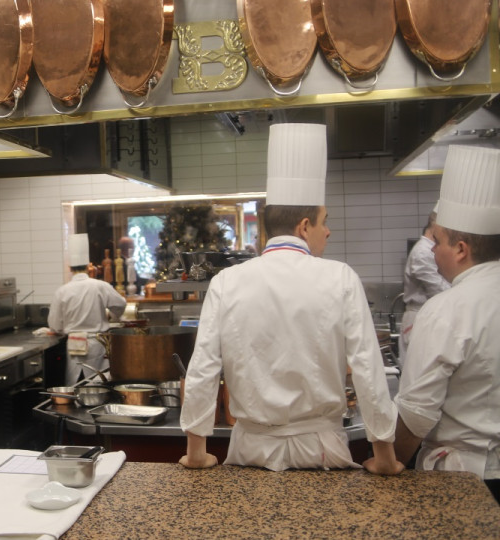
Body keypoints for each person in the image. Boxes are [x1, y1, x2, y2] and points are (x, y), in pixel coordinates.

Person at [179, 123, 403, 475]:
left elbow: (203, 367)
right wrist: (385, 456)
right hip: (321, 449)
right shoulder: (340, 277)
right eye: (324, 221)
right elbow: (367, 367)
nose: (328, 231)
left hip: (250, 449)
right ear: (304, 226)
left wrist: (196, 453)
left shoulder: (226, 282)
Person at [394, 145, 500, 504]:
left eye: (436, 240)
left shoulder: (447, 309)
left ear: (461, 249)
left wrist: (391, 463)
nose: (431, 249)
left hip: (465, 479)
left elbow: (417, 412)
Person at [48, 233, 127, 386]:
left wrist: (63, 327)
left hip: (74, 344)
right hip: (97, 343)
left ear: (70, 268)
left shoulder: (62, 291)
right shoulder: (100, 286)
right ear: (88, 266)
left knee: (75, 386)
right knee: (99, 384)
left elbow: (55, 325)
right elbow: (121, 304)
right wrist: (113, 316)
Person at [398, 205, 450, 357]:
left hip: (427, 318)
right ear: (436, 225)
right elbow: (441, 290)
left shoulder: (428, 249)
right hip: (419, 319)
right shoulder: (423, 252)